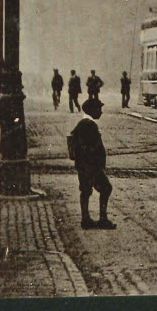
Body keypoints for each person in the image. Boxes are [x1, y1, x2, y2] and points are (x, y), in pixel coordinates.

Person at [69, 98, 116, 230]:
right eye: (99, 109)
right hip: (91, 167)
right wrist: (97, 164)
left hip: (84, 166)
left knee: (86, 190)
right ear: (92, 110)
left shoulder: (83, 124)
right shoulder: (89, 125)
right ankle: (102, 219)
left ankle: (86, 219)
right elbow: (90, 148)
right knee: (106, 188)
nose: (101, 112)